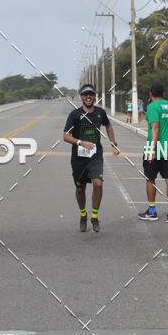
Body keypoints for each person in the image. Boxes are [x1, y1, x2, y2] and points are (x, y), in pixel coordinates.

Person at [63, 83, 119, 233]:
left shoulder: (100, 113)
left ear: (95, 96)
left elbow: (108, 126)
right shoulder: (74, 115)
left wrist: (113, 144)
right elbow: (66, 136)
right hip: (78, 159)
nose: (88, 97)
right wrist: (81, 142)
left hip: (95, 157)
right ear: (81, 97)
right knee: (80, 188)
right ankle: (83, 215)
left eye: (91, 94)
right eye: (85, 94)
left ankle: (94, 217)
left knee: (98, 184)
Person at [138, 83, 168, 223]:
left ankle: (152, 212)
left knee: (150, 179)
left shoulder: (153, 107)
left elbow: (155, 128)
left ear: (150, 94)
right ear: (163, 93)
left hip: (155, 148)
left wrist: (151, 150)